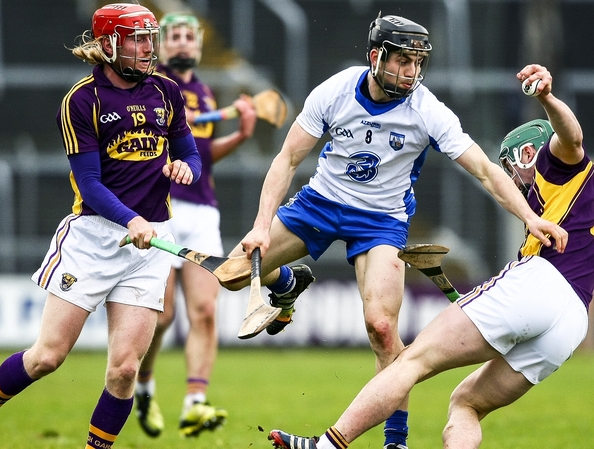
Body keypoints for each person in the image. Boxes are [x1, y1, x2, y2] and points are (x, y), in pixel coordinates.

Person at [222, 14, 567, 449]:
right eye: (402, 62)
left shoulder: (427, 110)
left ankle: (396, 441)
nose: (411, 73)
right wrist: (259, 228)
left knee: (382, 328)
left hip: (380, 221)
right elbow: (287, 160)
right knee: (232, 273)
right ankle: (287, 284)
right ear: (375, 57)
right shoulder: (335, 91)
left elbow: (483, 170)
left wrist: (530, 218)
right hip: (319, 204)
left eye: (417, 63)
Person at [267, 63, 594, 449]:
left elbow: (572, 137)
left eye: (512, 167)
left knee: (409, 361)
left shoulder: (557, 164)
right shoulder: (572, 202)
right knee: (466, 403)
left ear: (529, 152)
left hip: (540, 283)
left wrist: (546, 98)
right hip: (571, 321)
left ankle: (327, 446)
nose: (512, 179)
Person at [0, 4, 202, 449]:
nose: (147, 48)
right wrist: (131, 218)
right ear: (108, 45)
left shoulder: (166, 90)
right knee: (47, 357)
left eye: (149, 37)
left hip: (152, 242)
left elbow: (191, 154)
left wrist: (186, 170)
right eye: (135, 39)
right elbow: (89, 183)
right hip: (93, 238)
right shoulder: (83, 100)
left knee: (125, 370)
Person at [132, 12, 258, 439]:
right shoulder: (149, 89)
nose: (184, 44)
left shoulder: (203, 93)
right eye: (176, 37)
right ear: (161, 46)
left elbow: (199, 158)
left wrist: (239, 136)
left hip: (204, 211)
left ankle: (194, 404)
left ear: (199, 47)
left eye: (191, 37)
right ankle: (144, 386)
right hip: (161, 210)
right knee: (162, 315)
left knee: (204, 311)